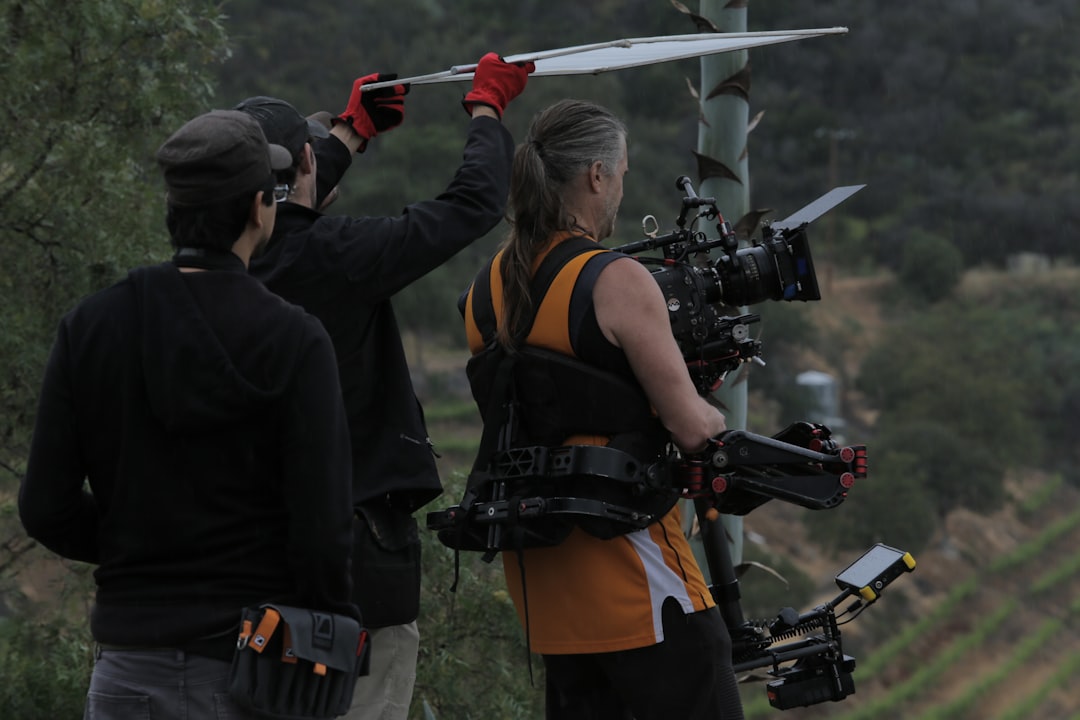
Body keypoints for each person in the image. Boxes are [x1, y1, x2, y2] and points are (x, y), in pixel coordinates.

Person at [18, 110, 359, 719]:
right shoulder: (294, 339)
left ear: (173, 211)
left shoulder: (91, 326)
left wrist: (141, 541)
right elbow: (322, 527)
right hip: (248, 675)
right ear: (261, 208)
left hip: (125, 671)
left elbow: (46, 507)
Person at [236, 52, 533, 720]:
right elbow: (472, 204)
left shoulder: (211, 275)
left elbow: (284, 198)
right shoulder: (334, 259)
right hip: (357, 579)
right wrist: (488, 111)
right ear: (304, 169)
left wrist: (349, 134)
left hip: (250, 570)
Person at [459, 99, 746, 719]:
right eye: (619, 173)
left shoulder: (484, 290)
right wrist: (714, 414)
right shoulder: (615, 279)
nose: (619, 188)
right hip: (635, 576)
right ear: (596, 175)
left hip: (544, 590)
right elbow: (691, 427)